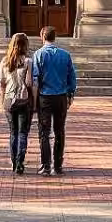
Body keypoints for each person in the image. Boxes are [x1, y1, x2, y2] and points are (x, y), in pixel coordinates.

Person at [32, 26, 77, 176]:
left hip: (45, 96)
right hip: (61, 96)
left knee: (44, 132)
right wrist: (70, 94)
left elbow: (35, 79)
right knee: (59, 131)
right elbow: (72, 77)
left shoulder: (38, 54)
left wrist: (34, 98)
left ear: (42, 37)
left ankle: (46, 166)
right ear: (54, 37)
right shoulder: (65, 55)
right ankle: (58, 166)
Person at [0, 32, 34, 174]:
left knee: (13, 132)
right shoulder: (28, 62)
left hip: (8, 99)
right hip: (23, 100)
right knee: (23, 132)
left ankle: (14, 161)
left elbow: (1, 83)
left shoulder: (4, 61)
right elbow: (29, 82)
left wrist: (2, 100)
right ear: (25, 45)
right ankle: (20, 162)